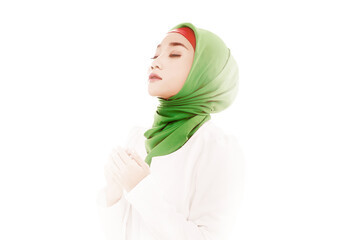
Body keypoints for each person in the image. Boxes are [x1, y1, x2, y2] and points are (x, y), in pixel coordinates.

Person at [96, 22, 245, 240]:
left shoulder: (217, 147)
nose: (156, 63)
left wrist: (140, 188)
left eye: (174, 54)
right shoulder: (139, 138)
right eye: (154, 56)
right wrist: (113, 195)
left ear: (205, 70)